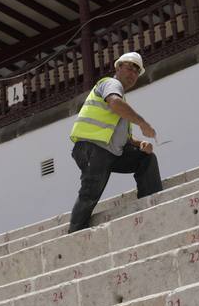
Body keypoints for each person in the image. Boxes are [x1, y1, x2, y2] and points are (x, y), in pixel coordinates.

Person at [67, 51, 162, 233]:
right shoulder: (111, 84)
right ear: (118, 68)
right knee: (91, 192)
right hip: (92, 148)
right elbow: (114, 103)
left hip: (109, 152)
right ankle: (75, 233)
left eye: (136, 71)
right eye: (130, 68)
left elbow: (123, 139)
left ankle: (150, 202)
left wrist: (139, 144)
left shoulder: (122, 104)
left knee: (145, 159)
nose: (133, 74)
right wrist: (142, 122)